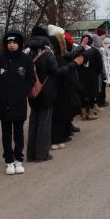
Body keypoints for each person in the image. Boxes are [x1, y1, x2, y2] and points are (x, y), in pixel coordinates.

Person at [26, 26, 82, 162]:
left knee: (33, 123)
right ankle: (41, 154)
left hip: (33, 93)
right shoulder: (47, 54)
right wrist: (74, 64)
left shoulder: (28, 53)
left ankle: (31, 153)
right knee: (44, 123)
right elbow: (58, 72)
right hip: (47, 92)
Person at [0, 31, 34, 175]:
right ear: (6, 44)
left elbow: (31, 78)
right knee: (6, 133)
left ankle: (18, 159)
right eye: (9, 43)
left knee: (19, 132)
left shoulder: (25, 59)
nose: (12, 45)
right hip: (4, 102)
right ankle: (9, 161)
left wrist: (24, 91)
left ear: (19, 44)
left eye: (14, 42)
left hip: (19, 102)